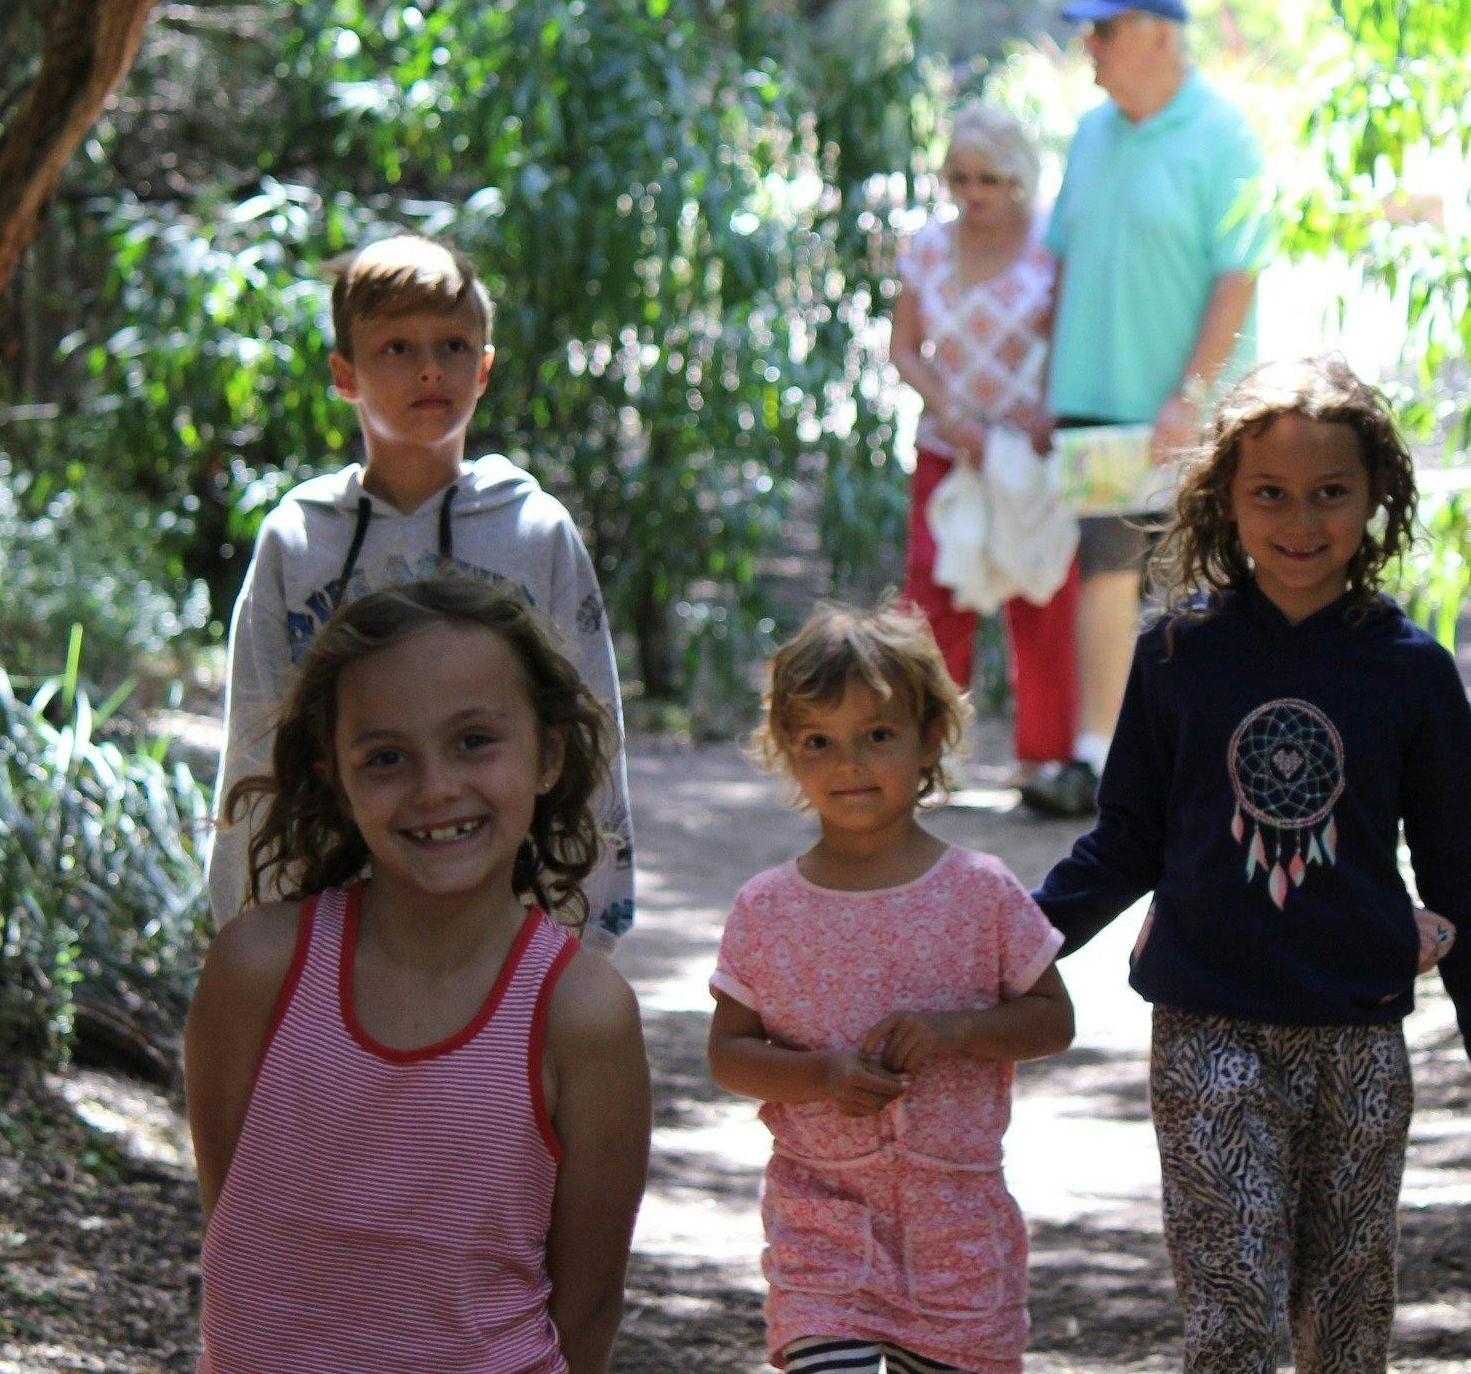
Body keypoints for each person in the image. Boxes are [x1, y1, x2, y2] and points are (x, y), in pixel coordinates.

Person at [1033, 356, 1471, 1374]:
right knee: (1233, 1320)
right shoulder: (1179, 655)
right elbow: (1124, 841)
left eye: (1329, 494)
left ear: (1376, 499)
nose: (1300, 520)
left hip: (1357, 1042)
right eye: (1270, 493)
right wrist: (1005, 939)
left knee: (1346, 1330)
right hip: (1206, 1029)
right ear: (1225, 498)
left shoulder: (1409, 671)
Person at [186, 576, 651, 1374]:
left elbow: (588, 1303)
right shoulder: (257, 970)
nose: (435, 788)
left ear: (548, 754)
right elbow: (236, 1218)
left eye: (474, 741)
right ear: (335, 776)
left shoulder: (582, 1015)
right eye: (387, 757)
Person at [206, 235, 634, 943]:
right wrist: (251, 926)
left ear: (485, 368)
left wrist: (585, 931)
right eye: (397, 348)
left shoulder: (534, 532)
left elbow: (592, 737)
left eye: (454, 346)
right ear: (345, 373)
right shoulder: (298, 540)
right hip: (333, 921)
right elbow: (255, 744)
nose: (430, 369)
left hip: (506, 918)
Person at [708, 605, 1076, 1374]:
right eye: (819, 741)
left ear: (930, 738)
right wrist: (821, 1075)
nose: (849, 763)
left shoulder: (981, 892)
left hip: (957, 1234)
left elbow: (1053, 1021)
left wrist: (953, 1031)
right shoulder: (767, 909)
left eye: (877, 735)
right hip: (822, 1230)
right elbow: (730, 1055)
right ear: (788, 754)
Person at [1044, 0, 1277, 813]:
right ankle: (1097, 758)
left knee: (1197, 581)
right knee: (1103, 571)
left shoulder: (1222, 134)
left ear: (1158, 37)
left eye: (1105, 32)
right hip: (1095, 405)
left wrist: (1192, 392)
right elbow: (1061, 260)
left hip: (1192, 415)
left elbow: (1237, 273)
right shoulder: (1091, 133)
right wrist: (1046, 381)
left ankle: (1206, 758)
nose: (1091, 49)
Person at [888, 103, 1081, 810]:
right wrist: (950, 413)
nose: (974, 194)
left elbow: (1075, 337)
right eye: (960, 178)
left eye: (990, 179)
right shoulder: (928, 248)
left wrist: (1050, 408)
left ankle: (1046, 763)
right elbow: (904, 349)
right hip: (951, 448)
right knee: (934, 600)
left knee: (1044, 595)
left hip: (1032, 451)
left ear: (1021, 179)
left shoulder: (1052, 247)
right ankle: (931, 757)